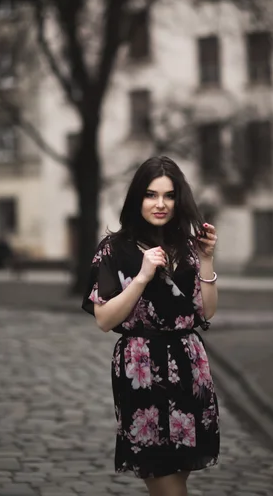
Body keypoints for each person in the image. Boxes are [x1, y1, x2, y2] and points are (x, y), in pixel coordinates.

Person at [82, 156, 220, 496]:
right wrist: (142, 277)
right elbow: (105, 319)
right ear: (136, 198)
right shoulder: (114, 250)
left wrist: (206, 260)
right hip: (142, 370)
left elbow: (207, 312)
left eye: (169, 195)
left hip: (190, 366)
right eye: (151, 194)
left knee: (178, 477)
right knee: (166, 483)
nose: (160, 204)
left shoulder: (187, 248)